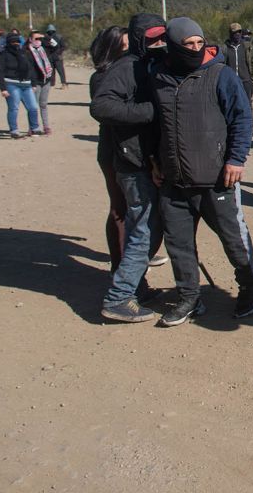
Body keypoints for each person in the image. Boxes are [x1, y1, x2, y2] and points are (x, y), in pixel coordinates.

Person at [150, 17, 253, 327]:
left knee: (234, 240)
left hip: (217, 178)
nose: (195, 49)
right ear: (173, 46)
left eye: (199, 43)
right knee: (179, 243)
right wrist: (154, 160)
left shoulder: (220, 75)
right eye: (188, 44)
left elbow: (242, 118)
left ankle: (251, 286)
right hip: (174, 180)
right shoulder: (158, 76)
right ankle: (189, 296)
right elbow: (154, 125)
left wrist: (236, 160)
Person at [89, 17, 167, 322]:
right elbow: (101, 107)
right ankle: (120, 297)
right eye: (152, 38)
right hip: (131, 162)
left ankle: (134, 286)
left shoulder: (147, 64)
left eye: (163, 37)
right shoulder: (125, 67)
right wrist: (149, 112)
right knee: (142, 227)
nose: (158, 43)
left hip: (145, 160)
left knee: (149, 227)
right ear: (137, 40)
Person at [0, 33, 42, 138]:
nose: (16, 44)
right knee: (14, 108)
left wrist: (34, 83)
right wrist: (3, 88)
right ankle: (14, 130)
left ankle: (35, 128)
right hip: (11, 84)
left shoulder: (25, 53)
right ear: (8, 43)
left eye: (17, 42)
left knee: (33, 107)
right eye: (13, 42)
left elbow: (31, 69)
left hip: (26, 84)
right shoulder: (3, 55)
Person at [27, 30, 56, 135]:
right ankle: (32, 127)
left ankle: (46, 126)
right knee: (33, 105)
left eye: (40, 39)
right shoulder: (27, 51)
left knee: (43, 104)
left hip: (46, 80)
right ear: (30, 39)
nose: (38, 41)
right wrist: (33, 83)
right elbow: (29, 69)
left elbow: (55, 45)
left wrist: (46, 37)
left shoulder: (44, 49)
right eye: (36, 39)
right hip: (36, 82)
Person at [222, 22, 253, 102]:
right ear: (230, 34)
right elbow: (222, 65)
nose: (237, 34)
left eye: (239, 32)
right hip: (231, 82)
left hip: (246, 82)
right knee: (232, 105)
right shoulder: (225, 48)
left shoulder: (247, 46)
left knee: (247, 105)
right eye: (235, 32)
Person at [44, 24, 68, 88]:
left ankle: (64, 83)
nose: (50, 32)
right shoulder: (46, 38)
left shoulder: (59, 37)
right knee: (51, 71)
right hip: (50, 57)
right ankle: (52, 84)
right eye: (49, 31)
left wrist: (58, 52)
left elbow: (63, 46)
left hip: (58, 57)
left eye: (52, 31)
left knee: (60, 71)